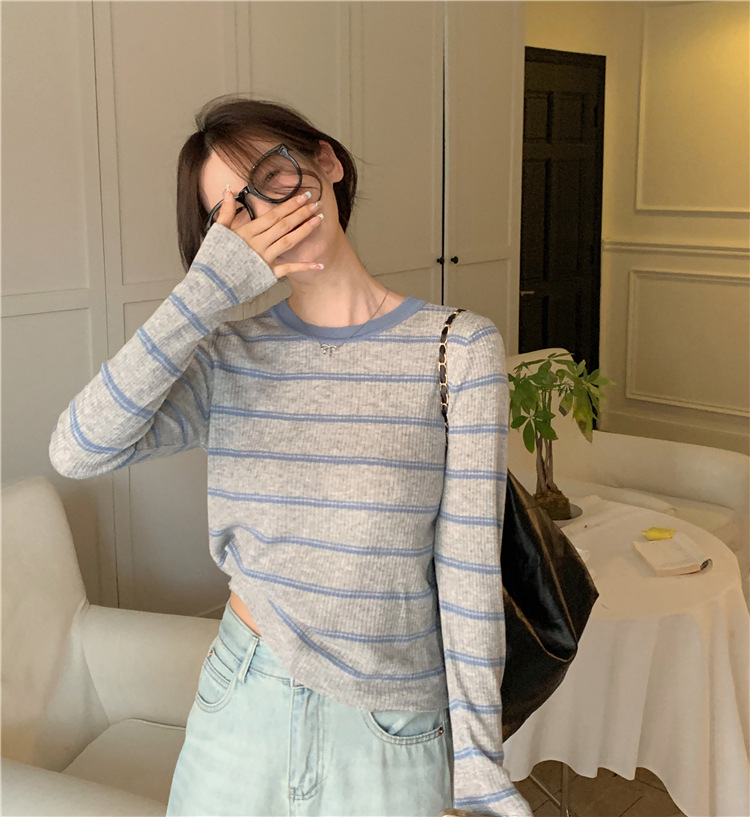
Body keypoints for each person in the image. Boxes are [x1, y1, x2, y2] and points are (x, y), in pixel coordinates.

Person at [49, 95, 532, 817]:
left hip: (392, 725)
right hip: (243, 697)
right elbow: (78, 447)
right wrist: (203, 294)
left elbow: (468, 573)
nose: (267, 215)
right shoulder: (228, 356)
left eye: (273, 175)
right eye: (234, 214)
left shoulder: (457, 349)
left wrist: (479, 761)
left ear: (326, 162)